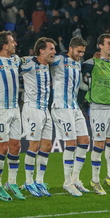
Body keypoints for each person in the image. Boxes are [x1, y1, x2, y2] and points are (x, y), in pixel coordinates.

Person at [82, 33, 110, 195]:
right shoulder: (91, 63)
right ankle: (94, 180)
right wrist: (85, 90)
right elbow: (76, 72)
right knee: (99, 144)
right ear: (100, 46)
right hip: (98, 109)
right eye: (108, 43)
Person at [50, 37, 90, 196]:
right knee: (71, 143)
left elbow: (78, 83)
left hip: (74, 107)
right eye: (78, 51)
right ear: (70, 48)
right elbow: (43, 61)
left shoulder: (78, 63)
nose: (81, 54)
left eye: (83, 52)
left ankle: (75, 179)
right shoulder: (58, 60)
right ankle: (67, 182)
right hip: (61, 107)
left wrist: (90, 88)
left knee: (85, 141)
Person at [21, 37, 56, 197]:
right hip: (32, 108)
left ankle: (39, 181)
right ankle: (28, 182)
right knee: (34, 145)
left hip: (45, 110)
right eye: (51, 49)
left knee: (47, 146)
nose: (54, 52)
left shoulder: (48, 65)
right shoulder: (28, 63)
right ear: (41, 50)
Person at [0, 31, 24, 201]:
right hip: (1, 109)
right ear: (4, 45)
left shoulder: (16, 60)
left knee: (15, 146)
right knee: (2, 148)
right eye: (12, 41)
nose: (15, 42)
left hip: (15, 109)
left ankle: (12, 182)